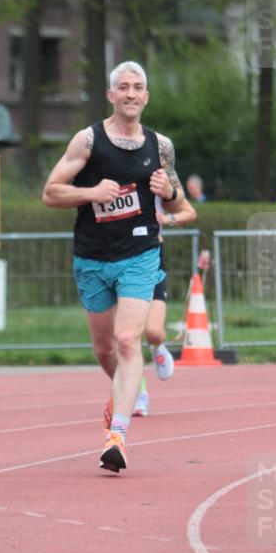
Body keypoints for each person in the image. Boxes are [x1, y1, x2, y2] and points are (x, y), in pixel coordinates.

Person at [42, 61, 185, 473]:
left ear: (146, 97)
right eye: (123, 87)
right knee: (106, 349)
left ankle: (116, 437)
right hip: (92, 257)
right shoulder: (88, 140)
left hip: (140, 254)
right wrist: (91, 193)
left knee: (127, 340)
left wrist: (169, 191)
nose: (130, 94)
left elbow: (178, 202)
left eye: (137, 87)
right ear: (111, 95)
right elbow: (51, 193)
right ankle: (128, 386)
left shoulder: (161, 145)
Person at [133, 197, 198, 417]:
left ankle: (157, 346)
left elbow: (189, 212)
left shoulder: (158, 180)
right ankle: (138, 394)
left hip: (151, 255)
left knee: (153, 331)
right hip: (117, 256)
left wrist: (166, 218)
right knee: (128, 337)